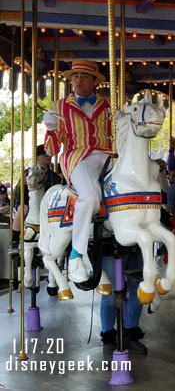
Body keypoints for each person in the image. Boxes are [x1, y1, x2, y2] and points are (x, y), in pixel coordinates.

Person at [42, 59, 112, 282]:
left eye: (83, 76)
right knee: (89, 197)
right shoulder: (60, 106)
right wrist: (52, 131)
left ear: (94, 82)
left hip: (108, 156)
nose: (78, 80)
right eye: (75, 76)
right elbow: (51, 149)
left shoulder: (108, 104)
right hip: (78, 157)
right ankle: (76, 254)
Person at [8, 144, 63, 255]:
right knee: (23, 208)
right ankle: (14, 240)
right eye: (46, 154)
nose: (49, 157)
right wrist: (22, 184)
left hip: (47, 205)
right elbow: (17, 193)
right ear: (37, 157)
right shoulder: (28, 172)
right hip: (29, 202)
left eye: (50, 154)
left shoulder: (54, 175)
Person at [100, 251, 147, 355]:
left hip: (137, 243)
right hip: (111, 244)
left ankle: (130, 334)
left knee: (139, 290)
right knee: (110, 292)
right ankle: (108, 339)